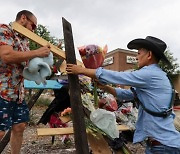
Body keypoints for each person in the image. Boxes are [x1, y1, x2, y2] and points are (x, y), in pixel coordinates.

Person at [66, 36, 180, 154]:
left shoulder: (149, 74)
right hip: (162, 144)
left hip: (162, 147)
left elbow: (119, 77)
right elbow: (127, 95)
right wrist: (105, 87)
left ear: (149, 55)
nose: (136, 57)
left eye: (139, 53)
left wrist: (81, 70)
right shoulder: (158, 76)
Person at [0, 10, 51, 153]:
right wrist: (37, 52)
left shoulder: (24, 40)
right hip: (2, 90)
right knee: (0, 131)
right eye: (33, 26)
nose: (33, 30)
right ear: (23, 18)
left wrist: (40, 70)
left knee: (20, 126)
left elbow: (25, 63)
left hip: (17, 92)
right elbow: (6, 56)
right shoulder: (5, 29)